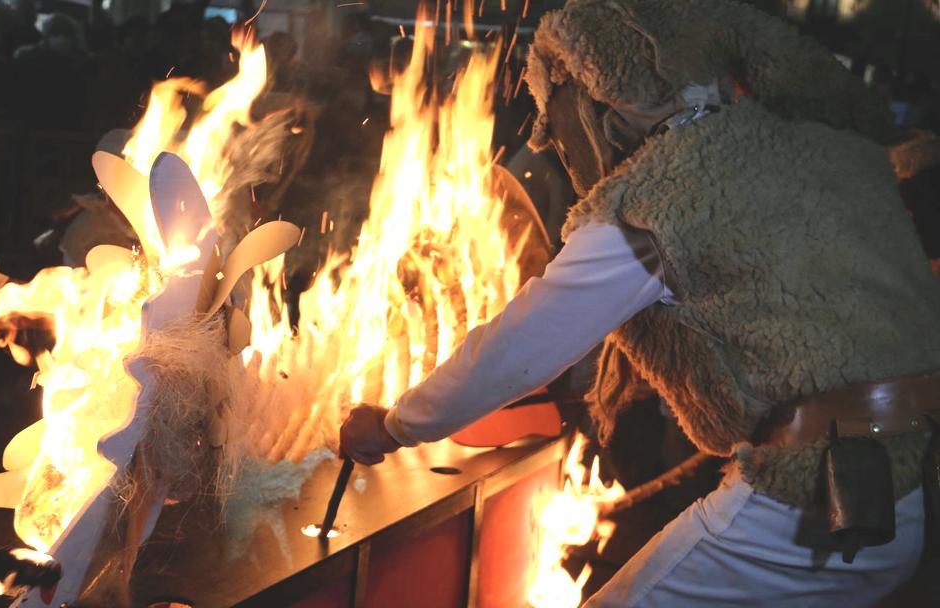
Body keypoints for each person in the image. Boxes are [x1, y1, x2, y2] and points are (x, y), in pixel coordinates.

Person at [339, 0, 940, 605]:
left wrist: (395, 425)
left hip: (821, 493)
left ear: (602, 102)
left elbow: (521, 345)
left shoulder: (655, 200)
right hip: (917, 475)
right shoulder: (824, 150)